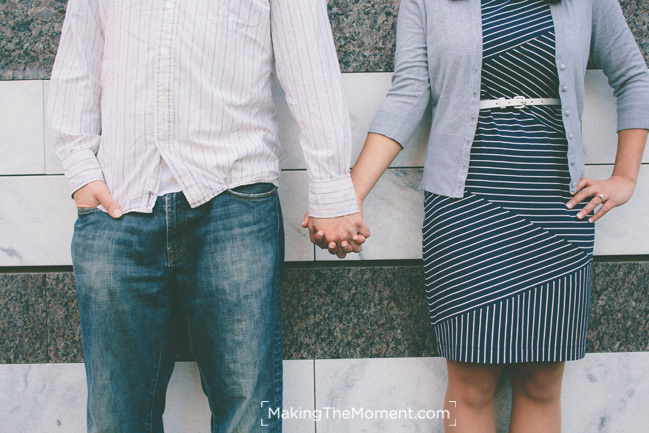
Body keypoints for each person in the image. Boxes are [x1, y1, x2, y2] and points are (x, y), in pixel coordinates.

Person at [308, 0, 649, 431]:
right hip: (463, 209)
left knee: (541, 383)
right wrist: (347, 198)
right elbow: (409, 92)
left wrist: (625, 177)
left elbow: (635, 77)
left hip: (557, 209)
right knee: (471, 385)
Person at [47, 1, 369, 432]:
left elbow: (308, 54)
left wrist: (331, 188)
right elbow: (79, 55)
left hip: (233, 197)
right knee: (115, 420)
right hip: (117, 204)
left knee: (247, 415)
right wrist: (80, 167)